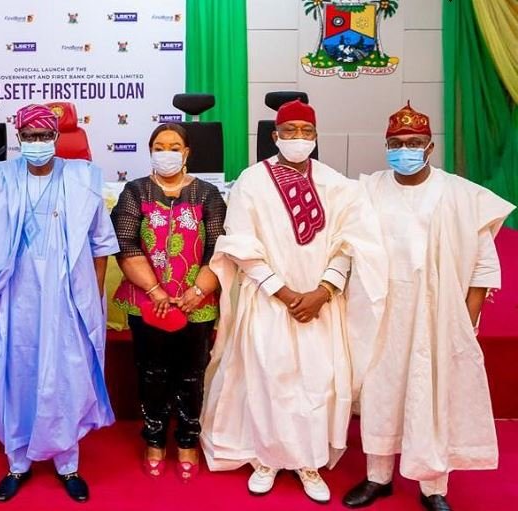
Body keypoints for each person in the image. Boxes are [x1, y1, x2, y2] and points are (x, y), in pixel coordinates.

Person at [200, 100, 388, 503]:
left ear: (316, 136)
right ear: (274, 136)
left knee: (317, 380)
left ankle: (308, 461)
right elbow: (241, 243)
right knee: (268, 376)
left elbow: (351, 243)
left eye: (306, 131)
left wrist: (323, 291)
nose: (299, 138)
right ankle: (267, 458)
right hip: (269, 298)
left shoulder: (338, 184)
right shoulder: (251, 181)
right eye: (290, 131)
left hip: (321, 301)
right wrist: (283, 293)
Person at [342, 103, 515, 511]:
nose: (406, 149)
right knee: (382, 392)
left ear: (430, 146)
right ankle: (377, 477)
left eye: (415, 143)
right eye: (398, 144)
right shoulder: (368, 190)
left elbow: (484, 264)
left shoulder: (459, 193)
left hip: (438, 311)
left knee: (432, 395)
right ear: (386, 146)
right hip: (381, 307)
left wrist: (466, 318)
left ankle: (434, 486)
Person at [0, 104, 119, 503]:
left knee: (64, 374)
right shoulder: (0, 178)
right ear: (19, 139)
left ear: (56, 138)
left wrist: (92, 295)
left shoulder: (83, 177)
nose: (37, 144)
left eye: (44, 136)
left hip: (67, 296)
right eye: (29, 137)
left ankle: (68, 463)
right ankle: (17, 462)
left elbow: (101, 243)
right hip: (15, 294)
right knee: (18, 372)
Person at [111, 123, 226, 480]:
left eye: (174, 146)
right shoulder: (135, 191)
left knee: (192, 375)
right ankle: (155, 439)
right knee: (152, 373)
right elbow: (126, 244)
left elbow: (220, 250)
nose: (167, 152)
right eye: (159, 146)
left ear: (187, 152)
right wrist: (157, 292)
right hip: (147, 301)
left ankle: (188, 439)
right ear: (150, 151)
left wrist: (196, 292)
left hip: (198, 302)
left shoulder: (208, 195)